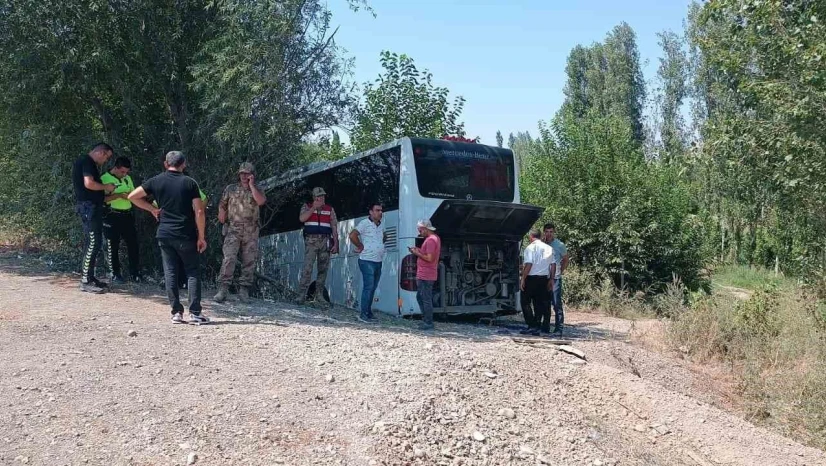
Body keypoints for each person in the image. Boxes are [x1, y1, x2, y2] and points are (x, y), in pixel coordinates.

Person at [128, 151, 209, 324]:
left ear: (166, 164)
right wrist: (201, 236)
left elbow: (132, 196)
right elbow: (199, 211)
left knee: (170, 272)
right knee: (192, 272)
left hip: (164, 233)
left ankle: (176, 313)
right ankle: (195, 312)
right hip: (185, 234)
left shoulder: (156, 181)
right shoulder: (190, 183)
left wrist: (152, 209)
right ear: (183, 164)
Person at [214, 162, 267, 303]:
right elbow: (222, 203)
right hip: (233, 228)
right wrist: (221, 212)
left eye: (247, 173)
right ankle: (223, 289)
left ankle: (244, 291)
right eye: (242, 173)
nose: (244, 176)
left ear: (252, 175)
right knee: (229, 258)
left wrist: (251, 186)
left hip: (251, 230)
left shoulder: (258, 189)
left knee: (249, 260)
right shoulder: (231, 188)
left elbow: (261, 201)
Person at [72, 142, 115, 293]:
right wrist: (106, 187)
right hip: (88, 208)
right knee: (93, 242)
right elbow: (89, 184)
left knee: (93, 242)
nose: (106, 161)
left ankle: (90, 277)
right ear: (101, 152)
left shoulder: (87, 162)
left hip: (92, 207)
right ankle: (85, 280)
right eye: (107, 157)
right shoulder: (86, 161)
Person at [100, 156, 142, 283]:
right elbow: (102, 199)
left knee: (133, 244)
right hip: (112, 215)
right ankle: (115, 273)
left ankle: (135, 273)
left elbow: (134, 194)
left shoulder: (127, 178)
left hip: (127, 215)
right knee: (112, 245)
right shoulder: (104, 179)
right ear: (115, 168)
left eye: (126, 172)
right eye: (122, 171)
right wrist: (118, 195)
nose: (124, 174)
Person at [296, 187, 339, 305]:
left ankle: (319, 295)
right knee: (307, 268)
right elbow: (302, 218)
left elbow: (334, 227)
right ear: (314, 197)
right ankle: (301, 295)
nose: (322, 198)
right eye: (319, 196)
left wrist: (336, 243)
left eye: (323, 196)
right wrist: (313, 208)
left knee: (323, 269)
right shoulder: (307, 207)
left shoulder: (329, 209)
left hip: (325, 241)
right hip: (311, 241)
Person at [349, 203, 385, 323]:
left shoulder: (381, 224)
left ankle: (368, 312)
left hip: (378, 261)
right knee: (368, 287)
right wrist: (360, 245)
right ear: (371, 212)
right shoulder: (364, 223)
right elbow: (352, 235)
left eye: (381, 210)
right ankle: (363, 314)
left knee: (373, 287)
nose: (380, 212)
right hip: (367, 260)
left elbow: (383, 236)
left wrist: (380, 245)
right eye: (377, 210)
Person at [519, 229, 554, 336]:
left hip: (531, 278)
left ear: (531, 236)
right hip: (544, 278)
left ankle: (531, 325)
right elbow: (553, 265)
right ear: (540, 236)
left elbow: (529, 264)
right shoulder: (548, 248)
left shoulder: (530, 248)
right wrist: (551, 279)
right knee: (538, 302)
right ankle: (537, 325)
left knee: (525, 302)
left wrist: (523, 278)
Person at [408, 219, 441, 331]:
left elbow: (429, 258)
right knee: (421, 297)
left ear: (426, 229)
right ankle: (426, 320)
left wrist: (416, 253)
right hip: (427, 273)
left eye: (420, 230)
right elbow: (428, 254)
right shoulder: (435, 238)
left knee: (425, 298)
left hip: (426, 274)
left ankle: (428, 322)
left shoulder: (431, 240)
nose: (419, 233)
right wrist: (418, 250)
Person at [543, 222, 569, 334]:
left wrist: (560, 271)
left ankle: (559, 328)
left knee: (556, 303)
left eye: (551, 232)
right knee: (545, 303)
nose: (549, 234)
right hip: (543, 277)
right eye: (547, 232)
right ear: (544, 232)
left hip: (555, 278)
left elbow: (566, 259)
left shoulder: (559, 245)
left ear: (554, 232)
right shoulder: (542, 244)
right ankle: (545, 326)